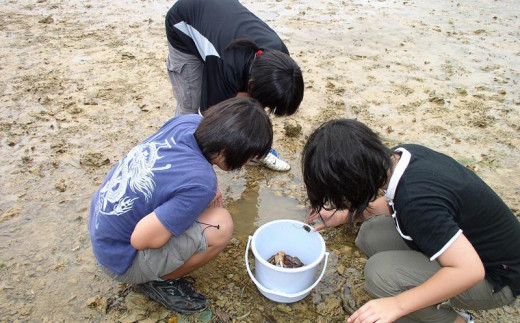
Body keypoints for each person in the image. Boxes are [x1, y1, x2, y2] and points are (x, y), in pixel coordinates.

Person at [302, 119, 520, 323]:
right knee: (371, 234)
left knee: (380, 276)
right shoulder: (401, 155)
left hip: (497, 278)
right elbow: (391, 202)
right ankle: (430, 267)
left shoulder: (416, 201)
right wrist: (346, 215)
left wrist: (397, 304)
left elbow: (470, 271)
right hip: (468, 247)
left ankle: (458, 320)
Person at [88, 97, 273, 313]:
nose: (246, 163)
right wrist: (181, 219)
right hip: (120, 260)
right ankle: (159, 281)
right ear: (227, 150)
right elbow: (142, 239)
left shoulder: (187, 123)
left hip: (102, 229)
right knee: (221, 225)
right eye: (247, 157)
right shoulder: (201, 182)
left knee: (202, 206)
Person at [164, 0, 304, 172]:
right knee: (190, 109)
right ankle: (181, 160)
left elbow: (254, 104)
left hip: (218, 27)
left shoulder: (280, 57)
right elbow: (207, 121)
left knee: (246, 107)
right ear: (251, 84)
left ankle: (254, 150)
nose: (266, 109)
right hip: (183, 23)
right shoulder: (225, 65)